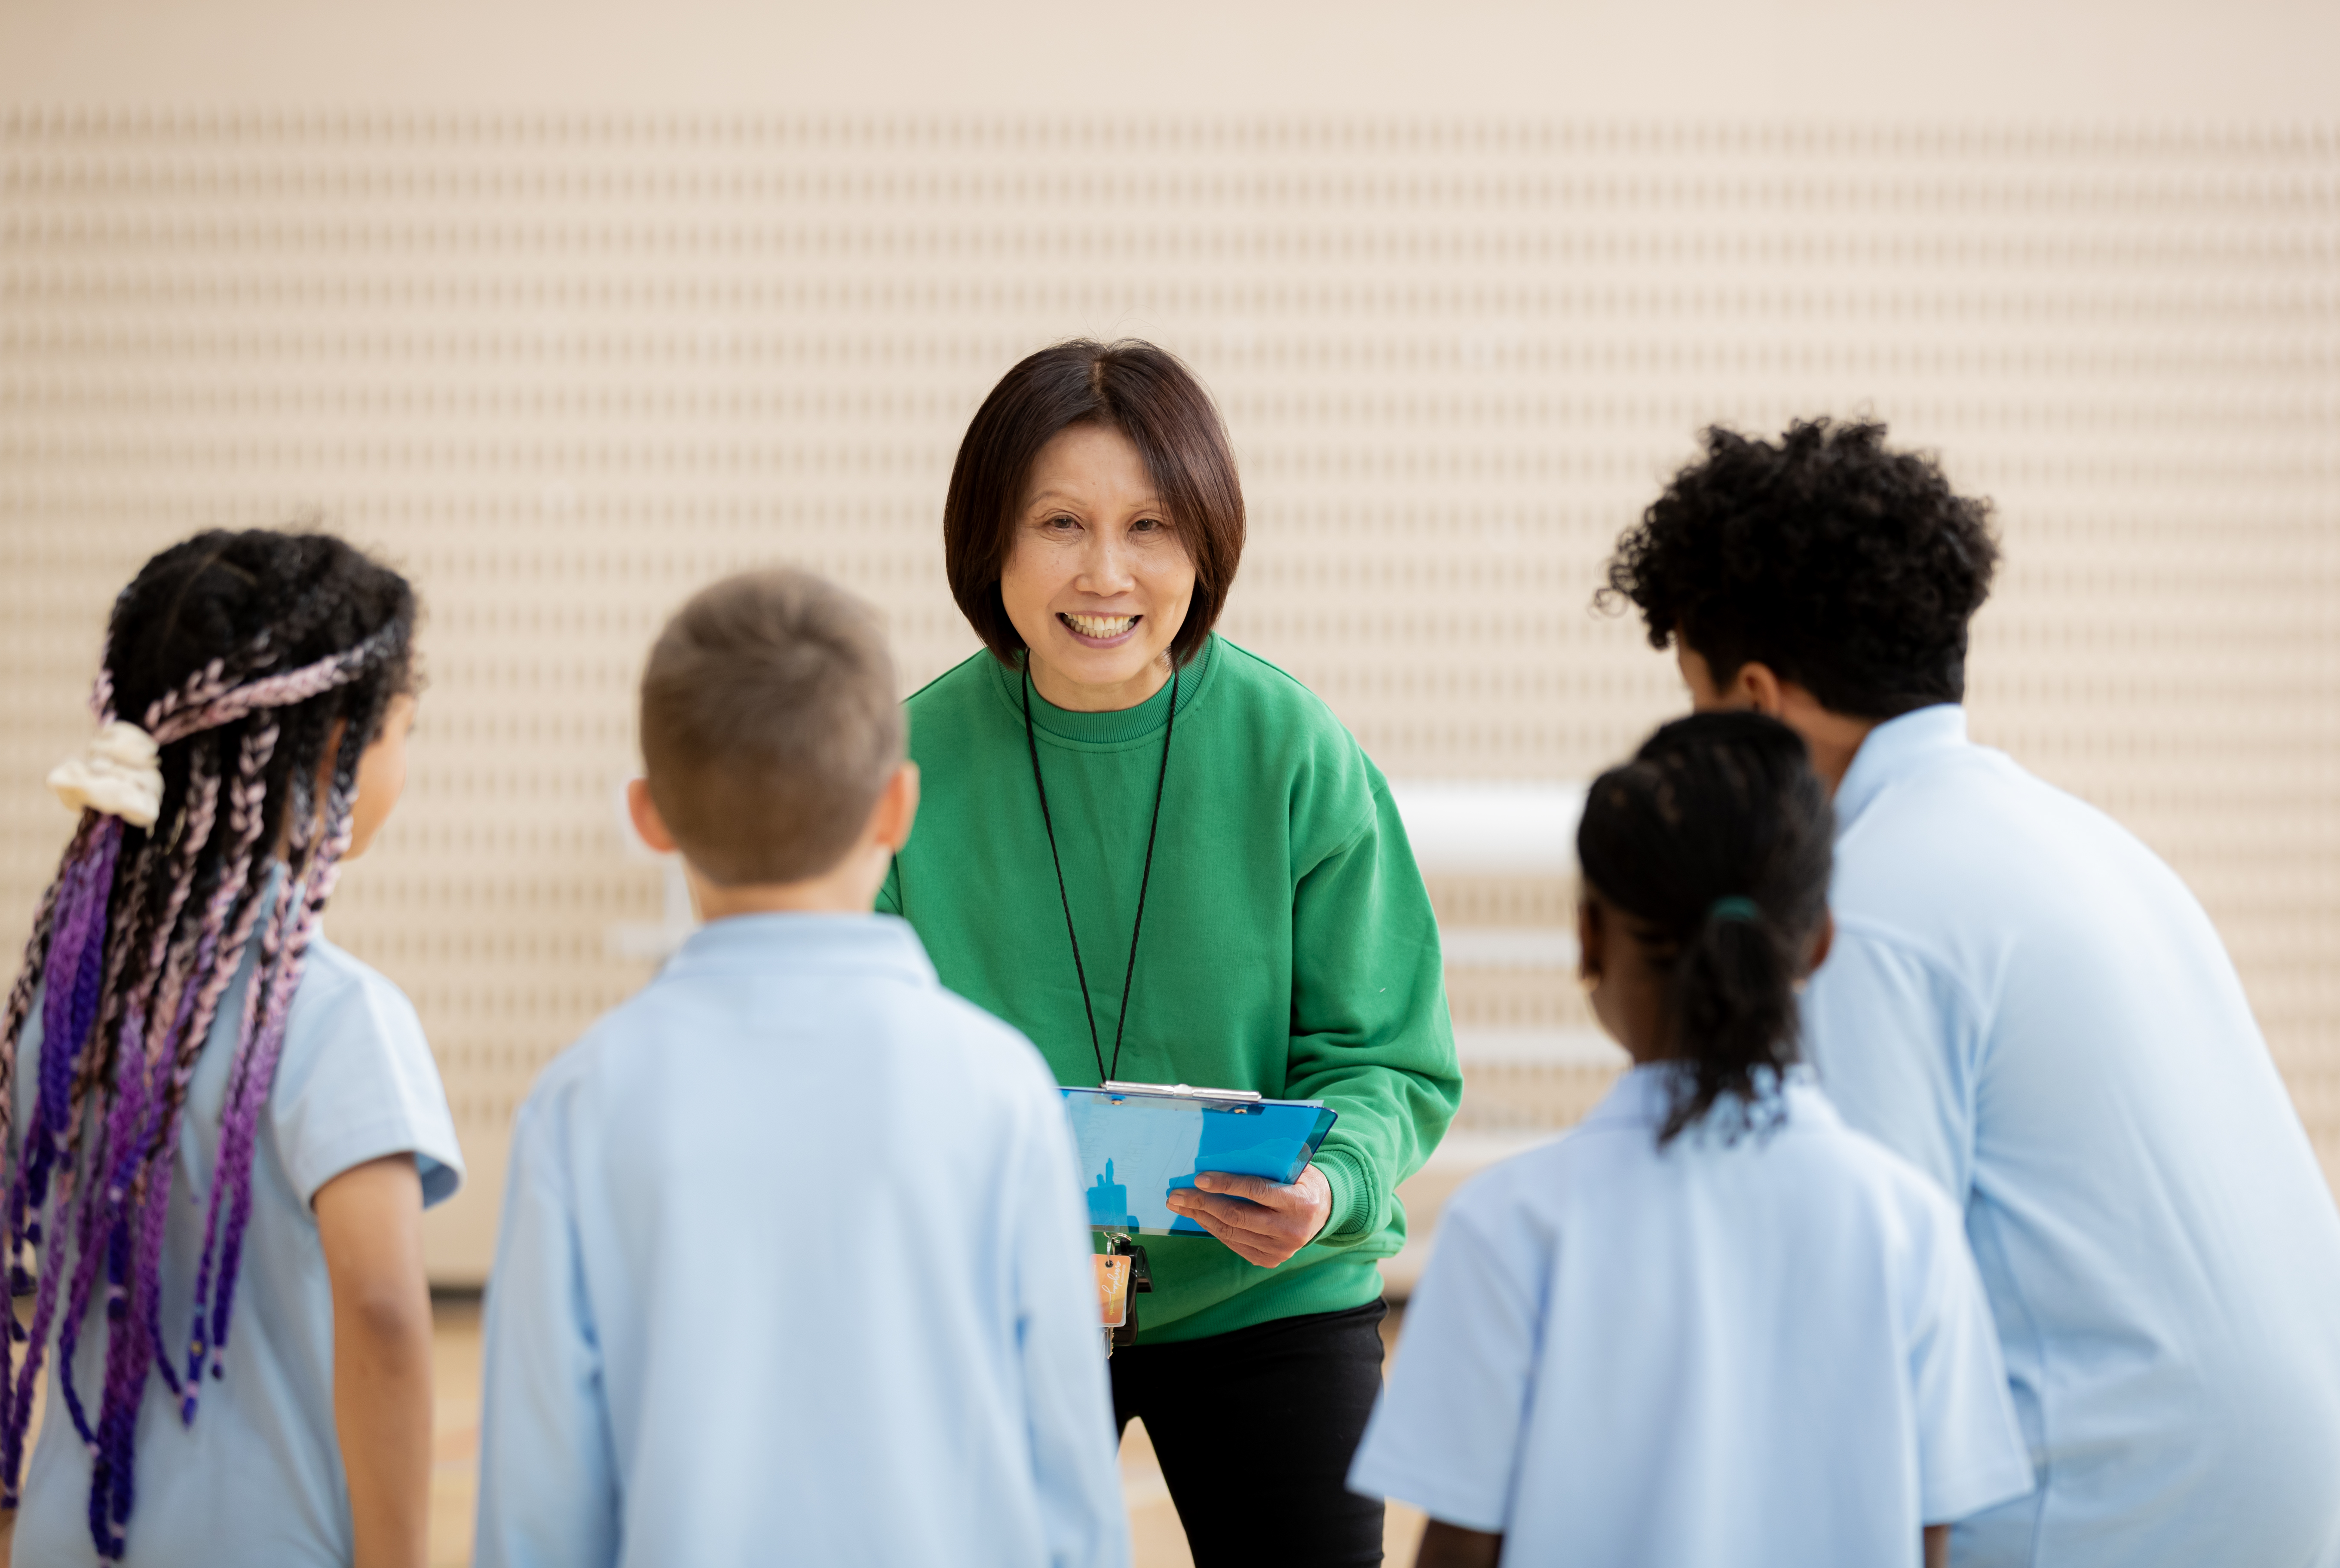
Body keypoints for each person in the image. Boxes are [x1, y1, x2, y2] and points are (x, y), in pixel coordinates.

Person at [1602, 419, 2340, 1566]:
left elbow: (1863, 1344)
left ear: (1754, 701)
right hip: (2281, 1501)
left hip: (2111, 1512)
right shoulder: (2091, 845)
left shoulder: (1865, 910)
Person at [878, 338, 1460, 1564]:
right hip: (997, 1299)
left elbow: (1388, 1060)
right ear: (990, 539)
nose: (1106, 573)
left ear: (1208, 541)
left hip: (1269, 1293)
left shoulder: (1293, 747)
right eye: (1059, 523)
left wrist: (1329, 1188)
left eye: (1150, 526)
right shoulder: (902, 768)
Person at [474, 568, 1126, 1568]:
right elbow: (1069, 1468)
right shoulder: (1002, 1091)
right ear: (899, 807)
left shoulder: (582, 1103)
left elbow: (540, 1493)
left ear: (648, 816)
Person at [1350, 712, 2032, 1568]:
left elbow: (1458, 1549)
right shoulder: (1911, 1226)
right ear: (1820, 941)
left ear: (1588, 937)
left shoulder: (1508, 1227)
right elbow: (1932, 1542)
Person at [0, 530, 462, 1568]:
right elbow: (383, 1309)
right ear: (341, 748)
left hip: (72, 1540)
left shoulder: (47, 1016)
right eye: (406, 731)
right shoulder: (338, 1016)